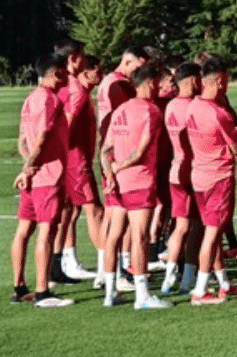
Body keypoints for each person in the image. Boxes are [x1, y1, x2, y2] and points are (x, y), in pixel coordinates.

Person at [100, 63, 173, 309]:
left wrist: (110, 173)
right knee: (139, 237)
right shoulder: (151, 111)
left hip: (117, 184)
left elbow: (105, 149)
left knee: (113, 236)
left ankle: (110, 292)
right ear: (151, 83)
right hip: (139, 180)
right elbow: (141, 151)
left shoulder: (120, 110)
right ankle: (142, 295)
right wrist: (119, 167)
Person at [10, 53, 74, 307]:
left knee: (24, 231)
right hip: (48, 176)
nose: (68, 77)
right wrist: (30, 168)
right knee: (46, 232)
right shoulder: (50, 100)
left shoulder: (29, 99)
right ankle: (43, 291)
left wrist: (27, 168)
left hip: (34, 177)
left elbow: (22, 140)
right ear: (57, 72)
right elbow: (42, 136)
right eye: (65, 72)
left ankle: (18, 287)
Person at [186, 56, 237, 305]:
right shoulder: (219, 114)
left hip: (199, 174)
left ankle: (224, 283)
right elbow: (236, 147)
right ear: (219, 81)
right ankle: (200, 290)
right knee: (212, 232)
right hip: (218, 176)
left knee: (213, 230)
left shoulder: (193, 107)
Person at [52, 43, 104, 285]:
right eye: (82, 57)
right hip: (75, 161)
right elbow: (67, 127)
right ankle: (109, 269)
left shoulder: (62, 85)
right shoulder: (75, 89)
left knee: (67, 212)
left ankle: (59, 265)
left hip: (69, 160)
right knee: (94, 211)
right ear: (74, 59)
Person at [160, 60, 202, 295]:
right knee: (195, 226)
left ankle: (168, 278)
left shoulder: (171, 105)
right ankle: (188, 277)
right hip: (193, 171)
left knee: (180, 226)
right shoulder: (193, 106)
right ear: (194, 81)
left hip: (176, 170)